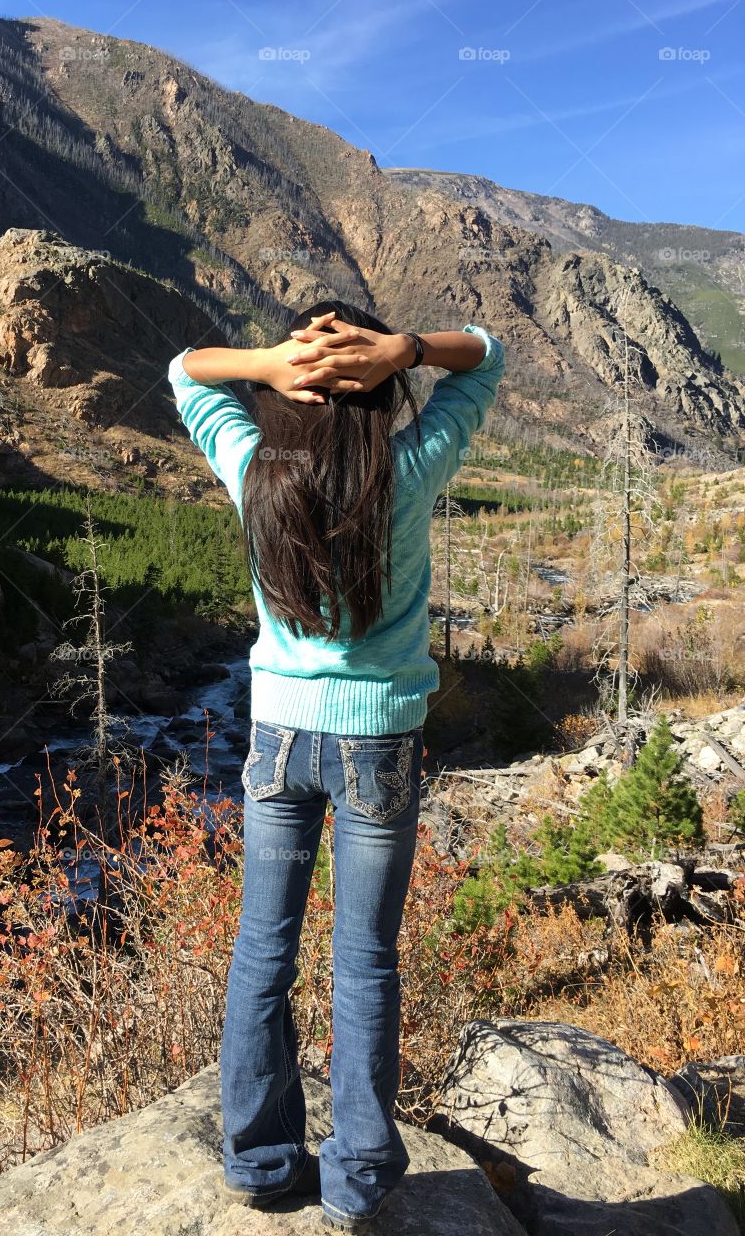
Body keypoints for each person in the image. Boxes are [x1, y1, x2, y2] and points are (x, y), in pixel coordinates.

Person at [167, 301, 505, 1231]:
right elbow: (486, 360)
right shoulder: (410, 468)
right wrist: (405, 349)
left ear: (282, 396)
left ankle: (262, 1161)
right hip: (379, 744)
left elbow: (183, 369)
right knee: (364, 965)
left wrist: (270, 361)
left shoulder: (253, 470)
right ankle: (356, 1181)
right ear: (383, 389)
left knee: (260, 957)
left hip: (277, 740)